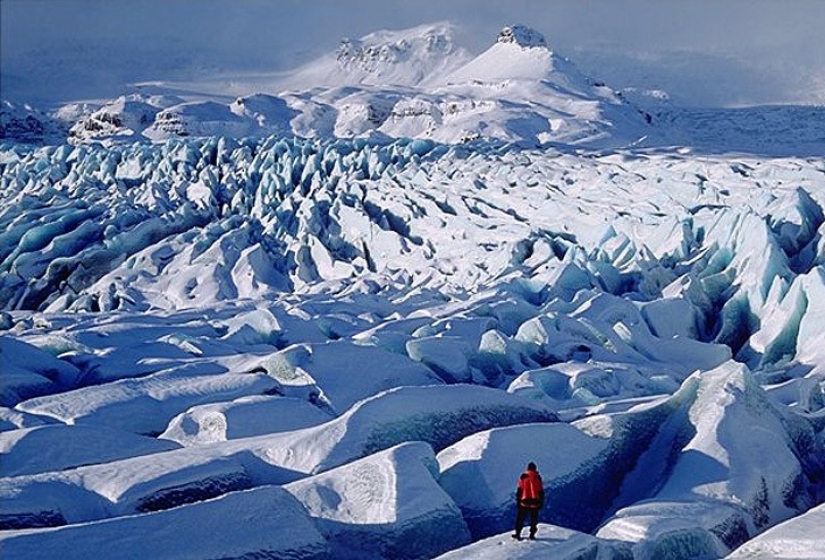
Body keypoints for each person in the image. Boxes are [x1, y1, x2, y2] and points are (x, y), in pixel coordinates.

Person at [513, 461, 544, 540]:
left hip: (524, 502)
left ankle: (518, 534)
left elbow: (519, 490)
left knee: (520, 519)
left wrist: (518, 501)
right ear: (535, 469)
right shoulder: (538, 477)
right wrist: (541, 502)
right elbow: (540, 491)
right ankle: (532, 535)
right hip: (535, 502)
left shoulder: (523, 476)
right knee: (534, 519)